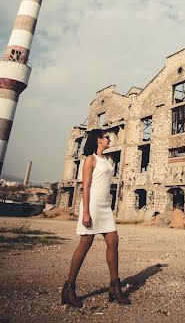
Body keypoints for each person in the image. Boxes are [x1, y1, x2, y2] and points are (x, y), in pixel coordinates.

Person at [62, 129, 130, 307]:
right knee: (85, 245)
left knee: (113, 242)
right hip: (91, 206)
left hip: (105, 207)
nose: (109, 139)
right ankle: (69, 287)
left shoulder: (106, 160)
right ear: (99, 140)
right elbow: (86, 186)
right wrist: (85, 212)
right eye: (107, 137)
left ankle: (115, 287)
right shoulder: (89, 160)